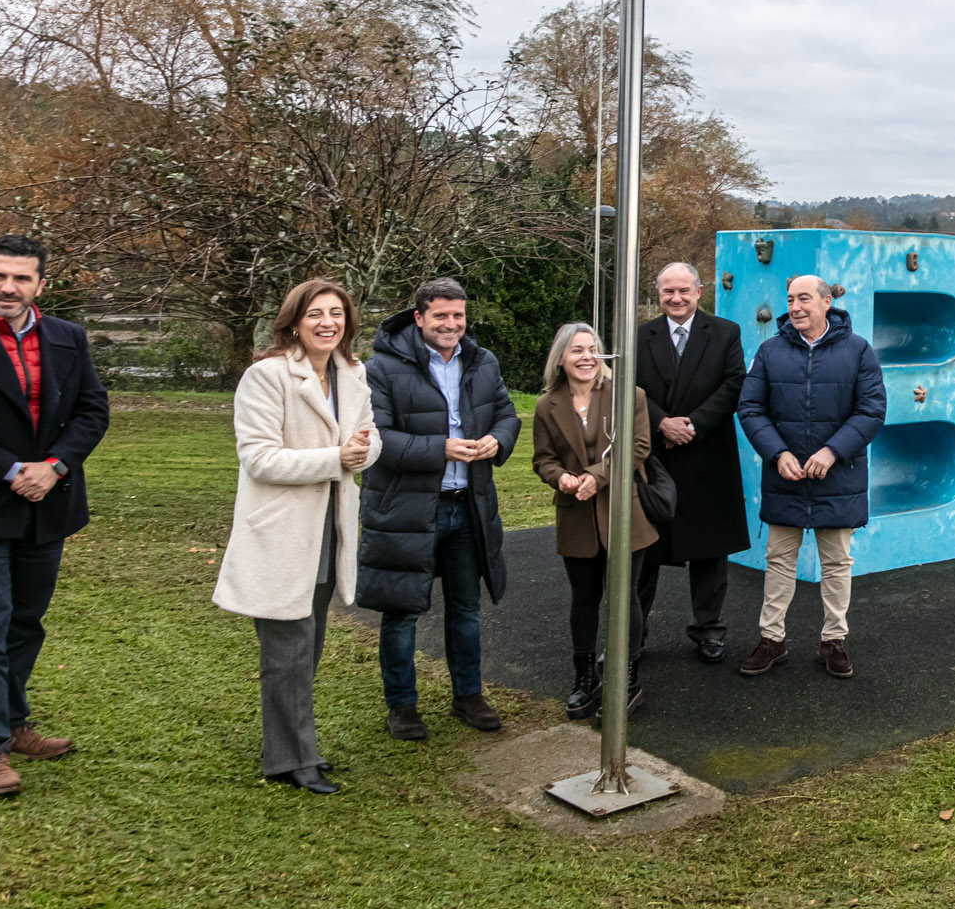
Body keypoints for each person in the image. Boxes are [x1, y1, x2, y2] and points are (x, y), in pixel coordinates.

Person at [0, 234, 109, 796]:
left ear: (41, 284)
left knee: (24, 621)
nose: (8, 287)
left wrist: (54, 467)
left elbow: (91, 408)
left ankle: (10, 722)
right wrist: (13, 470)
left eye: (21, 278)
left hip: (45, 504)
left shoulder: (66, 338)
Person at [213, 279, 381, 794]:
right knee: (287, 650)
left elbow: (369, 441)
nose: (327, 322)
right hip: (282, 534)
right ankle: (292, 759)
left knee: (308, 647)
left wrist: (359, 452)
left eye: (336, 313)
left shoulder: (354, 374)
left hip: (330, 529)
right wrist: (337, 459)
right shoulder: (265, 377)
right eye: (315, 314)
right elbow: (259, 458)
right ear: (293, 321)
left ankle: (289, 745)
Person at [356, 277, 521, 740]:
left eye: (458, 316)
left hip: (467, 506)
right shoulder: (381, 369)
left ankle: (468, 696)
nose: (451, 325)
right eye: (441, 316)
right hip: (404, 508)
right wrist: (441, 449)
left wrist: (498, 439)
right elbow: (377, 439)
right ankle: (402, 706)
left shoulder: (483, 362)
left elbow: (508, 415)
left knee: (466, 608)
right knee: (402, 609)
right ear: (419, 318)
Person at [735, 274, 885, 679]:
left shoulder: (858, 351)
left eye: (804, 299)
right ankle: (772, 639)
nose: (795, 307)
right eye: (790, 299)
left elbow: (871, 411)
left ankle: (833, 641)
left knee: (836, 561)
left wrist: (833, 451)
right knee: (779, 559)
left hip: (839, 477)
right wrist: (777, 452)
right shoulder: (769, 352)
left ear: (825, 303)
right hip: (785, 475)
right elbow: (750, 409)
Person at [530, 324, 656, 718]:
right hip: (576, 515)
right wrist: (560, 477)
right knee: (584, 599)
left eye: (593, 349)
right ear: (561, 359)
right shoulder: (546, 405)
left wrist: (595, 477)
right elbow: (542, 458)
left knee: (625, 596)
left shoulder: (628, 395)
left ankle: (628, 680)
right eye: (576, 350)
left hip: (623, 512)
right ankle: (584, 678)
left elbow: (639, 447)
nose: (586, 357)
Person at [635, 262, 747, 666]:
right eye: (668, 292)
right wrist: (660, 421)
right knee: (642, 550)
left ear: (700, 291)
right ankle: (633, 636)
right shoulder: (639, 335)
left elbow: (735, 384)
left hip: (707, 456)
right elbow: (626, 386)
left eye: (684, 291)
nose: (676, 299)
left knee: (709, 553)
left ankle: (709, 631)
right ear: (658, 293)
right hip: (654, 456)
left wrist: (693, 425)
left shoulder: (725, 332)